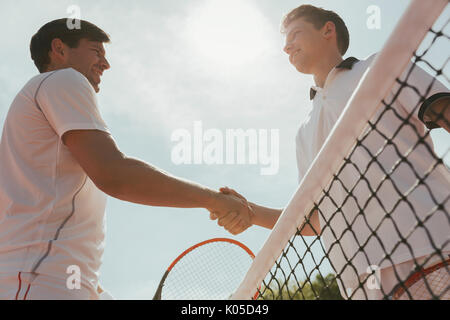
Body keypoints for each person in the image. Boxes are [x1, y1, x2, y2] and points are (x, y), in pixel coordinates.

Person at [0, 18, 253, 300]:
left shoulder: (40, 109)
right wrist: (213, 199)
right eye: (96, 52)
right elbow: (114, 174)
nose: (105, 64)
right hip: (42, 282)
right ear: (59, 49)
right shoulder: (62, 79)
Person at [213, 5, 450, 299]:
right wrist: (250, 213)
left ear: (328, 30)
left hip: (433, 247)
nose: (287, 46)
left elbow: (445, 111)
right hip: (360, 282)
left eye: (295, 33)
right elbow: (315, 220)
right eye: (285, 40)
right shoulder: (304, 133)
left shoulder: (379, 67)